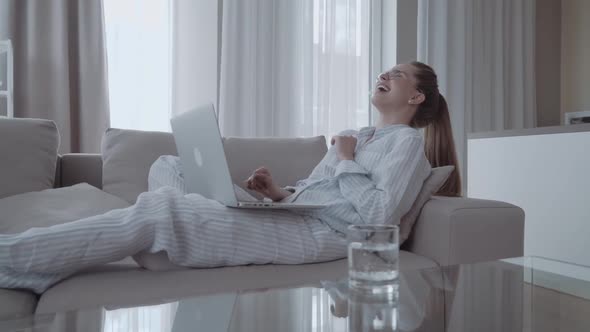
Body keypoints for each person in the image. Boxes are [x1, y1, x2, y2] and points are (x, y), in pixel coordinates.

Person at [0, 61, 461, 293]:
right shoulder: (356, 135)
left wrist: (343, 159)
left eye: (396, 75)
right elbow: (315, 194)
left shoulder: (406, 145)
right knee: (169, 165)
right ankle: (179, 237)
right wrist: (277, 192)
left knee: (161, 208)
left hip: (324, 236)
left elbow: (378, 215)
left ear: (417, 97)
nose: (384, 73)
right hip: (295, 216)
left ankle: (14, 258)